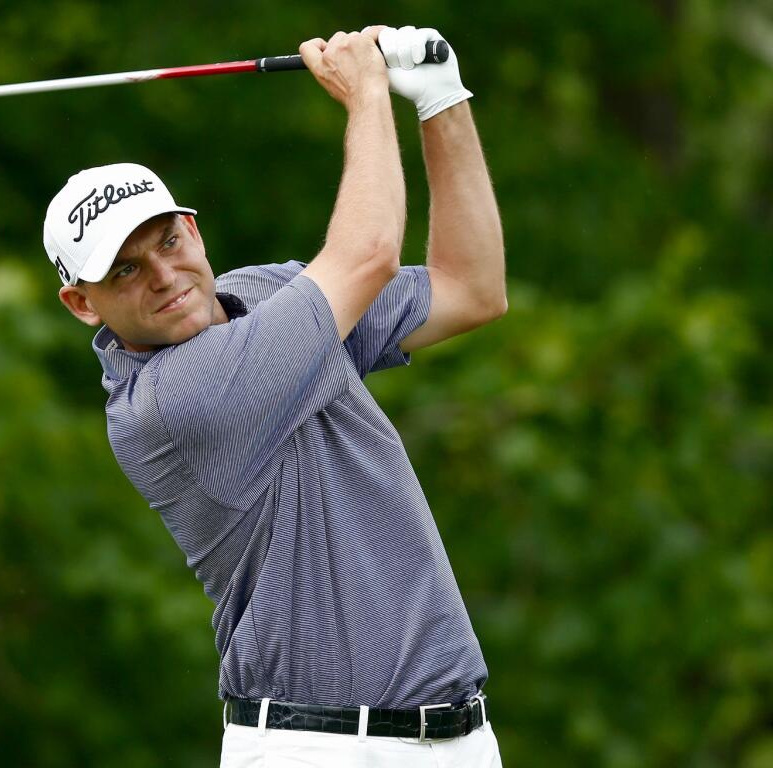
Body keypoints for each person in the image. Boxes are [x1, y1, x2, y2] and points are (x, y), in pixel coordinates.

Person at [42, 24, 506, 767]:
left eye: (166, 242)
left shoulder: (269, 295)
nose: (162, 276)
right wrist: (367, 94)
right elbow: (367, 253)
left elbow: (471, 290)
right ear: (81, 303)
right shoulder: (168, 403)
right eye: (123, 271)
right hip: (313, 747)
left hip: (456, 738)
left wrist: (444, 101)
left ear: (192, 231)